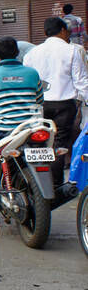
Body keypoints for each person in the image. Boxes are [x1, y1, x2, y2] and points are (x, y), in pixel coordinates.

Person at [23, 16, 88, 173]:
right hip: (64, 106)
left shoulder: (32, 53)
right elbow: (81, 82)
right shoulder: (72, 50)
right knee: (59, 147)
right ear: (63, 31)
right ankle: (56, 184)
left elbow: (28, 82)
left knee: (39, 145)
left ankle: (39, 185)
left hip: (39, 106)